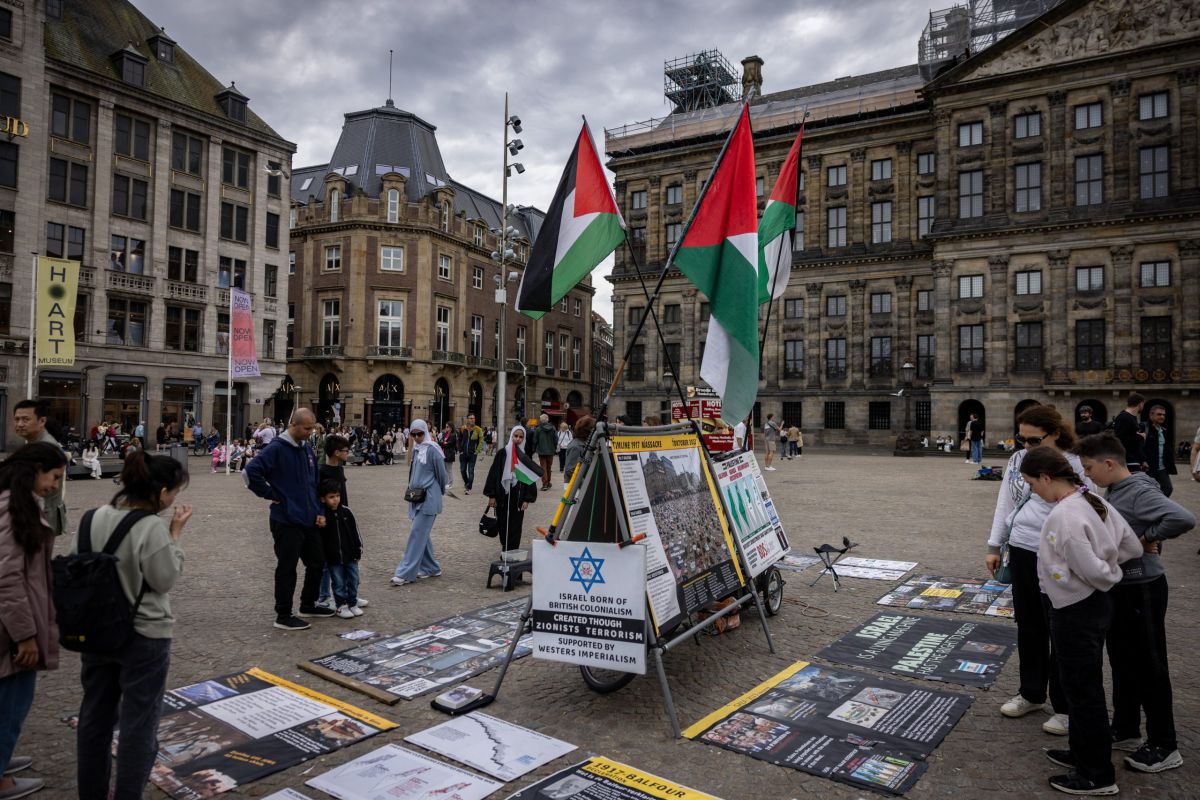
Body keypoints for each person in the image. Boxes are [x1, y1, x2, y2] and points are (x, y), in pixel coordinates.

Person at [1017, 446, 1140, 796]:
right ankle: (1082, 751)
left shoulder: (1065, 515)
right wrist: (1108, 563)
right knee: (1080, 686)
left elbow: (1095, 572)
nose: (1032, 491)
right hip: (1090, 606)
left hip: (1076, 608)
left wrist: (1105, 571)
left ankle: (1096, 774)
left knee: (1083, 691)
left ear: (1046, 477)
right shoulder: (1090, 500)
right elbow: (1130, 544)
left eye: (1031, 483)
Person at [74, 450, 192, 800]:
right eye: (174, 492)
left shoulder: (91, 518)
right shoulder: (150, 526)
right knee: (139, 724)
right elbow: (164, 579)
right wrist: (174, 536)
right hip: (143, 636)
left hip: (96, 631)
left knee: (95, 718)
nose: (174, 500)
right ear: (160, 492)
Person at [1073, 433, 1192, 774]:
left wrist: (1147, 539)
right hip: (1123, 587)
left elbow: (1182, 518)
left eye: (1090, 468)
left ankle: (1164, 743)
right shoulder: (1115, 488)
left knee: (1150, 666)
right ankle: (1125, 727)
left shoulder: (1137, 490)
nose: (1088, 475)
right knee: (1123, 660)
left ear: (1109, 463)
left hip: (1144, 588)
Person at [986, 404, 1091, 737]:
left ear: (1056, 434)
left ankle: (1064, 706)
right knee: (1029, 624)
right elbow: (1005, 501)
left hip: (1059, 553)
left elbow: (1092, 507)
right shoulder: (1017, 461)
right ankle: (1031, 693)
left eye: (1034, 440)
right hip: (1021, 548)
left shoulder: (1075, 463)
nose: (1026, 447)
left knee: (1060, 627)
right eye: (1023, 439)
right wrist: (994, 545)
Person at [0, 443, 68, 800]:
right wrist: (24, 635)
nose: (55, 486)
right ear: (35, 470)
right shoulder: (12, 509)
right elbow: (7, 578)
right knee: (11, 703)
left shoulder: (15, 502)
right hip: (11, 630)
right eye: (54, 477)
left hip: (12, 623)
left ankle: (4, 758)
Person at [243, 409, 333, 631]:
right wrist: (271, 494)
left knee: (317, 562)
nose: (311, 432)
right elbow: (250, 472)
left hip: (308, 517)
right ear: (293, 424)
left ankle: (308, 604)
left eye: (312, 428)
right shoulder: (276, 448)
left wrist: (319, 510)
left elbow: (313, 483)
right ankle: (283, 614)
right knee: (287, 567)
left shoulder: (306, 449)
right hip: (286, 519)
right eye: (307, 428)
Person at [391, 419, 448, 586]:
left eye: (420, 434)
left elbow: (441, 475)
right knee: (422, 534)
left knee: (416, 533)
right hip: (416, 497)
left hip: (429, 498)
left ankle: (405, 572)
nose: (416, 437)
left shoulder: (433, 450)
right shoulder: (416, 449)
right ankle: (432, 568)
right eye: (413, 434)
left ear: (426, 432)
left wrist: (438, 492)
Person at [483, 427, 543, 555]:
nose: (518, 439)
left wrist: (527, 499)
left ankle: (512, 551)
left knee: (515, 525)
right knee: (502, 523)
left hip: (518, 496)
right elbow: (494, 474)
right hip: (502, 494)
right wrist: (491, 495)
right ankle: (505, 549)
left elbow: (530, 478)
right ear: (511, 436)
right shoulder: (502, 454)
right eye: (515, 436)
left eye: (521, 437)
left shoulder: (525, 457)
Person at [317, 480, 364, 620]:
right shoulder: (322, 516)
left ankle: (353, 602)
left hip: (350, 555)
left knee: (354, 579)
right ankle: (341, 605)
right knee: (338, 582)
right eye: (331, 497)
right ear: (323, 499)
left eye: (337, 495)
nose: (335, 499)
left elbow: (356, 532)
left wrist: (358, 549)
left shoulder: (346, 512)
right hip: (333, 558)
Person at [1139, 404, 1175, 497]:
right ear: (1151, 415)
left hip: (1162, 468)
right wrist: (1142, 460)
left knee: (1168, 488)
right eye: (1159, 414)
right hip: (1148, 467)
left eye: (1163, 415)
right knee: (1147, 491)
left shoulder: (1164, 430)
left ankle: (1157, 504)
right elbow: (1137, 446)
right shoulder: (1143, 427)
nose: (1162, 417)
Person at [1112, 392, 1146, 472]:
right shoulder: (1124, 417)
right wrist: (1140, 437)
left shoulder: (1132, 417)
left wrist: (1142, 460)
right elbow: (1120, 439)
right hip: (1127, 461)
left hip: (1133, 459)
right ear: (1140, 404)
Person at [563, 416, 596, 488]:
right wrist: (586, 485)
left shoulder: (584, 444)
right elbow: (570, 470)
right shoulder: (576, 446)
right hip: (575, 488)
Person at [458, 414, 484, 495]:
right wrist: (460, 450)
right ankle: (467, 483)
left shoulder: (478, 429)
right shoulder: (463, 428)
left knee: (471, 471)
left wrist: (477, 451)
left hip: (472, 454)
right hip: (463, 454)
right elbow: (459, 439)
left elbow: (481, 440)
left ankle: (469, 488)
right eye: (470, 418)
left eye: (473, 418)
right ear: (467, 419)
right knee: (462, 470)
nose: (472, 419)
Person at [533, 414, 558, 490]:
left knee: (543, 467)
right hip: (550, 451)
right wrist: (554, 447)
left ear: (541, 420)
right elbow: (556, 439)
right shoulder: (553, 428)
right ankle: (548, 482)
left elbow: (535, 440)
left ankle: (545, 484)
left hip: (541, 451)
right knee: (548, 467)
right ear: (547, 420)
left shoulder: (538, 429)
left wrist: (535, 448)